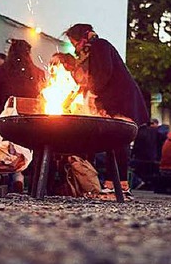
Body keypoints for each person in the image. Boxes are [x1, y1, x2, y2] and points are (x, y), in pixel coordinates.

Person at [64, 23, 149, 200]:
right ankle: (113, 185)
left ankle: (121, 187)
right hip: (115, 102)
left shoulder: (101, 46)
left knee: (119, 142)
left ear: (82, 38)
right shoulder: (94, 50)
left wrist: (90, 95)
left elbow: (103, 75)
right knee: (115, 142)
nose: (75, 48)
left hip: (122, 102)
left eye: (74, 43)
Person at [0, 39, 46, 193]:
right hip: (31, 122)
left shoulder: (0, 71)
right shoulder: (39, 73)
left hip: (6, 121)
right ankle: (22, 176)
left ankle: (5, 176)